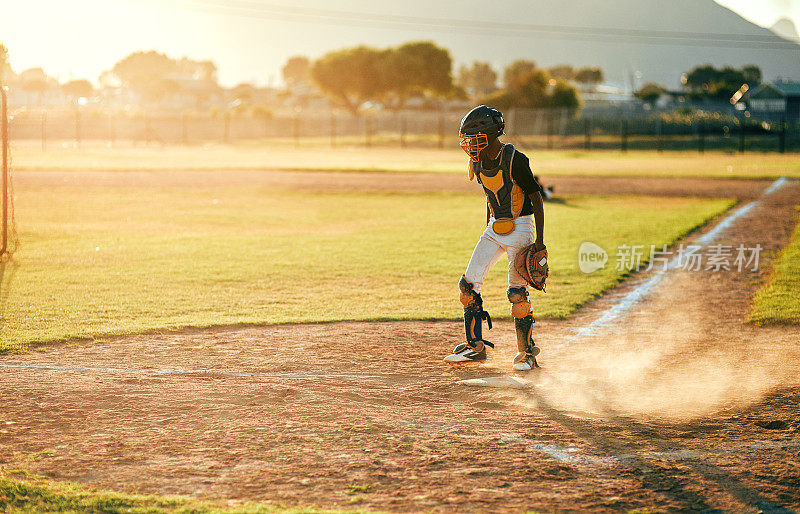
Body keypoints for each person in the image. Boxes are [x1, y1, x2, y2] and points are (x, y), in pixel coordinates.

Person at [445, 105, 546, 371]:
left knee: (517, 294)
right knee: (468, 285)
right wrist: (486, 228)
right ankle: (474, 346)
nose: (468, 144)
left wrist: (540, 241)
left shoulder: (515, 159)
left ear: (488, 135)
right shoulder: (478, 160)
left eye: (473, 138)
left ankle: (527, 354)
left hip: (522, 228)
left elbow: (536, 197)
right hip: (494, 227)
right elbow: (489, 199)